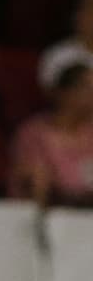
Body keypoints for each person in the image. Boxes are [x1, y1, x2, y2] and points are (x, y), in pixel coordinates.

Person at [7, 62, 93, 208]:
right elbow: (33, 180)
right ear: (66, 93)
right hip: (53, 212)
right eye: (89, 89)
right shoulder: (33, 132)